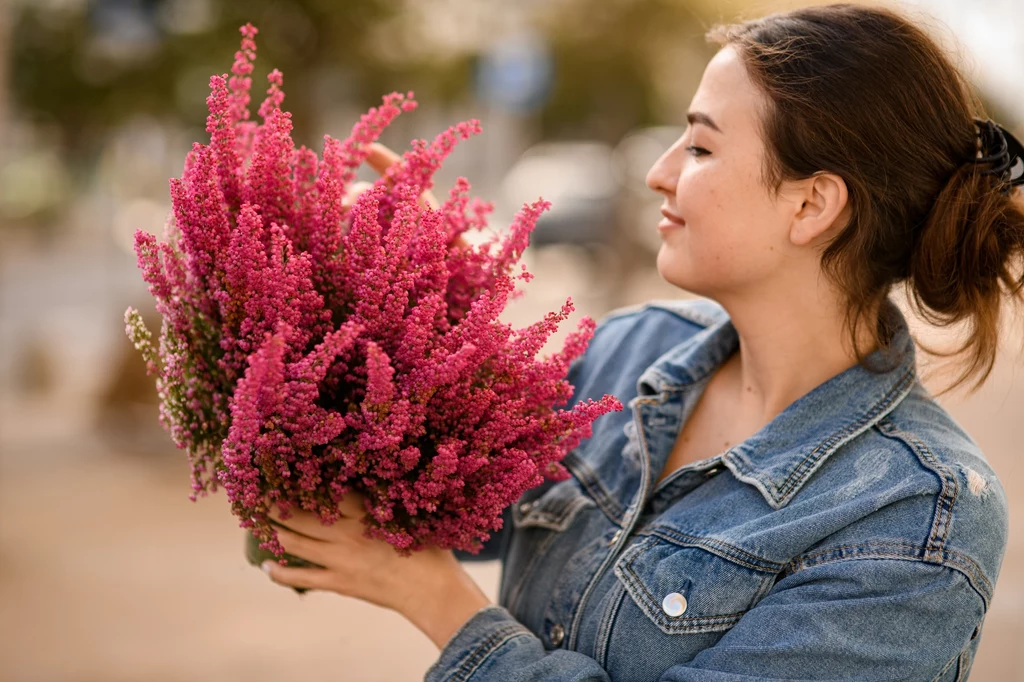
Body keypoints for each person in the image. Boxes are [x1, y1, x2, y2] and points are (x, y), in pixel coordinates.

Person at [262, 4, 1019, 679]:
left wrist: (436, 600)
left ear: (812, 204)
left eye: (699, 148)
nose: (659, 174)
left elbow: (418, 569)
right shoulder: (624, 353)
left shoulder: (916, 516)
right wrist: (389, 313)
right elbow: (334, 530)